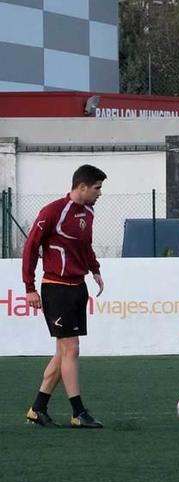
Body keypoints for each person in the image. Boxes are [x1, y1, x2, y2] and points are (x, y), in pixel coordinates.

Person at [22, 164, 107, 429]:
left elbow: (85, 245)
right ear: (81, 187)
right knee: (71, 349)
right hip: (56, 288)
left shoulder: (89, 211)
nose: (100, 193)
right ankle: (78, 412)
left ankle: (38, 409)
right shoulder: (53, 211)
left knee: (63, 353)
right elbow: (30, 247)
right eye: (97, 188)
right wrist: (29, 287)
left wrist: (95, 270)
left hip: (77, 287)